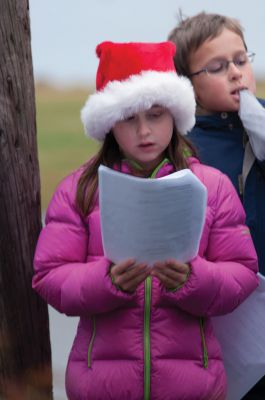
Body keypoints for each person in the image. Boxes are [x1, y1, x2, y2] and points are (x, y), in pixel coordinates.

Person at [32, 41, 258, 400]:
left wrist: (195, 278)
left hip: (193, 387)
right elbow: (49, 275)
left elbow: (243, 271)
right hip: (100, 387)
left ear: (174, 115)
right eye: (128, 118)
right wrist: (105, 281)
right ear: (108, 124)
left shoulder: (212, 187)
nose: (144, 132)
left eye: (155, 114)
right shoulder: (80, 190)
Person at [168, 11, 265, 399]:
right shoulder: (182, 147)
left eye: (241, 60)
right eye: (217, 67)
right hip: (224, 318)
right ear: (186, 85)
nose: (236, 73)